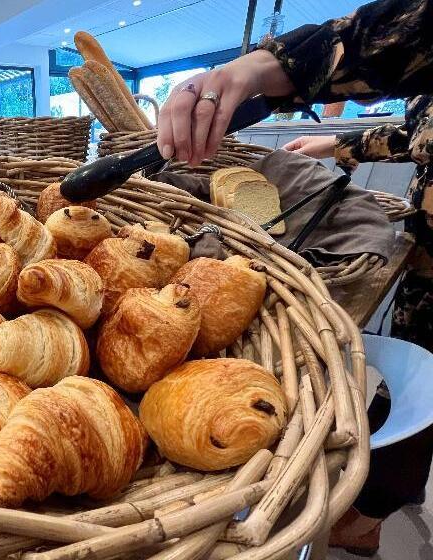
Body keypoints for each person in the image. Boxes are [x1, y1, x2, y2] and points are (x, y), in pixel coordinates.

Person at [155, 0, 433, 556]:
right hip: (427, 270)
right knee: (410, 372)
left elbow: (381, 38)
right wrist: (335, 142)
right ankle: (368, 515)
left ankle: (362, 511)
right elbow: (408, 116)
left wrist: (256, 70)